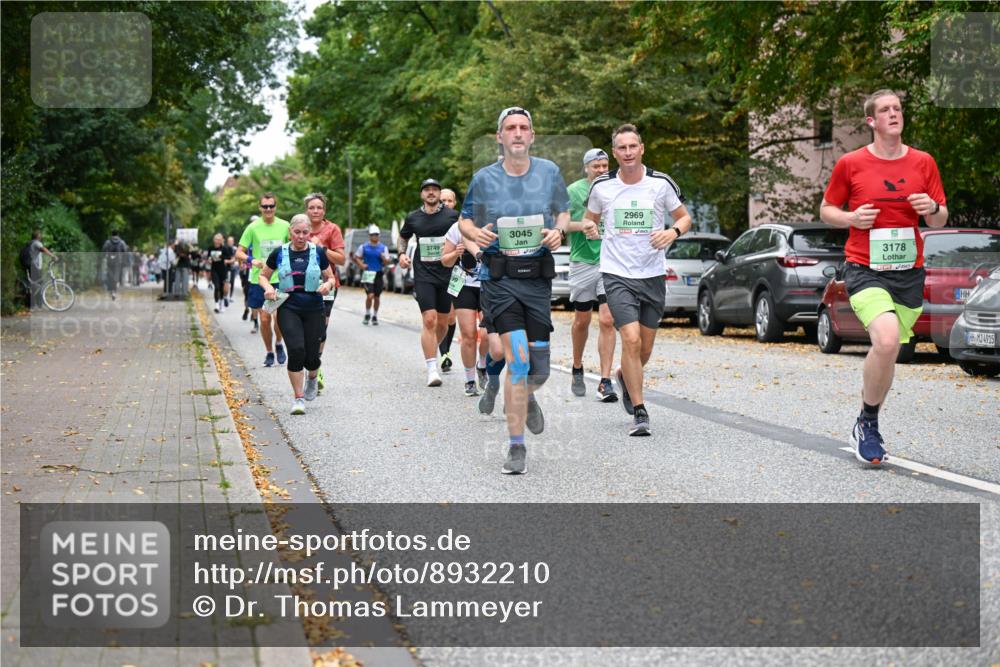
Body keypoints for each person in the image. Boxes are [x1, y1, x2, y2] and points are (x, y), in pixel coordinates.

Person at [820, 89, 948, 466]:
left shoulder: (924, 162)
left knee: (888, 351)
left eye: (898, 108)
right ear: (871, 121)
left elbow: (940, 218)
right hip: (864, 267)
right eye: (885, 110)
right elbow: (828, 209)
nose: (894, 114)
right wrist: (851, 219)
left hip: (908, 273)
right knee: (888, 340)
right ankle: (870, 424)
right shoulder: (851, 163)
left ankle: (865, 417)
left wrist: (933, 208)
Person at [459, 106, 570, 475]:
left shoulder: (550, 172)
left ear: (532, 136)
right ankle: (516, 447)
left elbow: (563, 212)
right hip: (500, 281)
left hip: (537, 281)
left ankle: (527, 397)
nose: (518, 133)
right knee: (517, 363)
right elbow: (465, 220)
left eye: (524, 127)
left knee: (538, 370)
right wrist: (475, 234)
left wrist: (559, 231)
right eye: (511, 128)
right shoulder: (484, 178)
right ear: (500, 137)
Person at [584, 123, 692, 437]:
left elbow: (684, 217)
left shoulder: (661, 183)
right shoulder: (602, 186)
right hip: (616, 273)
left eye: (633, 147)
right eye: (622, 148)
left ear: (641, 148)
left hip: (652, 274)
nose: (628, 153)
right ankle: (640, 411)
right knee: (629, 339)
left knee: (643, 348)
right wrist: (590, 228)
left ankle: (623, 374)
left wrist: (672, 232)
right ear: (614, 152)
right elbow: (590, 221)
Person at [259, 215, 337, 415]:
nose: (301, 237)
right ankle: (298, 398)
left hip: (313, 307)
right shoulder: (280, 252)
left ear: (309, 233)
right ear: (290, 232)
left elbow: (331, 277)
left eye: (305, 232)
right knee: (296, 350)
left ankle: (312, 377)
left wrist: (327, 285)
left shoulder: (317, 252)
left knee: (312, 356)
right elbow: (263, 275)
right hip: (288, 307)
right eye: (297, 232)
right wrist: (268, 288)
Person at [565, 148, 618, 401]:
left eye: (604, 165)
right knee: (582, 320)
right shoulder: (573, 191)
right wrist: (584, 225)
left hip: (610, 262)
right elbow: (561, 224)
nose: (600, 170)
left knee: (607, 320)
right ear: (586, 167)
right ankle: (577, 366)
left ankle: (605, 381)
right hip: (583, 261)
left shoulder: (617, 187)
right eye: (595, 166)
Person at [398, 178, 459, 387]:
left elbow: (464, 235)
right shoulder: (413, 217)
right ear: (422, 194)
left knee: (443, 322)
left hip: (447, 274)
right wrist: (401, 254)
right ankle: (432, 367)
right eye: (427, 190)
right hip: (423, 274)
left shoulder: (452, 216)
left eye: (435, 189)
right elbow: (403, 237)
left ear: (439, 194)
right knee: (429, 320)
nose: (431, 193)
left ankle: (432, 349)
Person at [236, 193, 290, 367]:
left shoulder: (285, 226)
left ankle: (279, 343)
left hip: (281, 279)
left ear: (276, 207)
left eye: (271, 206)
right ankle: (269, 351)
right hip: (260, 278)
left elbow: (295, 246)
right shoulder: (253, 227)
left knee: (279, 318)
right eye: (265, 206)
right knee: (265, 319)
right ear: (260, 208)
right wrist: (252, 260)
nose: (268, 209)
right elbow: (239, 252)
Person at [304, 192, 346, 391]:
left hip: (327, 284)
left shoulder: (332, 229)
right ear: (306, 210)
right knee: (304, 327)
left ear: (324, 210)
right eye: (312, 207)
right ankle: (308, 361)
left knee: (320, 328)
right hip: (301, 284)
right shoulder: (299, 228)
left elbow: (341, 259)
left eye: (319, 207)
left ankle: (315, 365)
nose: (315, 211)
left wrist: (322, 249)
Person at [442, 217, 486, 397]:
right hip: (463, 285)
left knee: (487, 334)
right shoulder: (456, 228)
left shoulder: (493, 223)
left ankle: (482, 365)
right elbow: (445, 260)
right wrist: (455, 253)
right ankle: (469, 380)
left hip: (489, 284)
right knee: (469, 335)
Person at [437, 188, 460, 372]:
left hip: (456, 272)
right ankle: (442, 352)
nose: (446, 204)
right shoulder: (432, 219)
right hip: (435, 273)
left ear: (455, 203)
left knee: (451, 317)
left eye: (449, 201)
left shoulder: (460, 221)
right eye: (442, 200)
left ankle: (446, 351)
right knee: (439, 317)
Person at [354, 224, 391, 325]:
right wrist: (361, 265)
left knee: (377, 297)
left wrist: (384, 258)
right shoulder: (364, 247)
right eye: (373, 234)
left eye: (376, 234)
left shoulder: (383, 248)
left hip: (378, 273)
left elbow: (388, 262)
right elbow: (356, 257)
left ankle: (374, 315)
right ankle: (367, 313)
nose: (375, 236)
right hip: (368, 273)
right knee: (370, 295)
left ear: (379, 235)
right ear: (369, 236)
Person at [20, 229, 58, 308]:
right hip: (33, 266)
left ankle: (34, 304)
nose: (41, 236)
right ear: (38, 236)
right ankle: (37, 303)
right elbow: (43, 249)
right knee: (39, 283)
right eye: (40, 235)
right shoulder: (36, 243)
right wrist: (53, 256)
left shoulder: (30, 243)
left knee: (36, 284)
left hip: (30, 265)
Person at [209, 233, 234, 313]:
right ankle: (216, 305)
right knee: (216, 287)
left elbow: (230, 258)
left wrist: (226, 260)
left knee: (221, 287)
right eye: (216, 239)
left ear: (221, 241)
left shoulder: (224, 249)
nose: (217, 241)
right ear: (213, 240)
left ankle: (222, 302)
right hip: (214, 270)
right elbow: (208, 258)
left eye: (219, 239)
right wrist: (209, 260)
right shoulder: (210, 248)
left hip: (223, 270)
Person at [102, 231, 129, 300]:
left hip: (109, 260)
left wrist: (104, 257)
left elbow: (104, 250)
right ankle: (114, 292)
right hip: (118, 261)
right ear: (118, 235)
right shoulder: (122, 242)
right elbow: (125, 251)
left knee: (110, 275)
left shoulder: (108, 242)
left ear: (112, 235)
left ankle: (110, 290)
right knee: (116, 276)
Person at [226, 235, 240, 306]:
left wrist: (235, 260)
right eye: (229, 241)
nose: (230, 242)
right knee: (227, 282)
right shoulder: (225, 248)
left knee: (232, 282)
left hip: (233, 268)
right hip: (226, 268)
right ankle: (226, 296)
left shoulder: (235, 249)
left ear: (233, 242)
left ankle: (230, 296)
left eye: (231, 241)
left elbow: (237, 257)